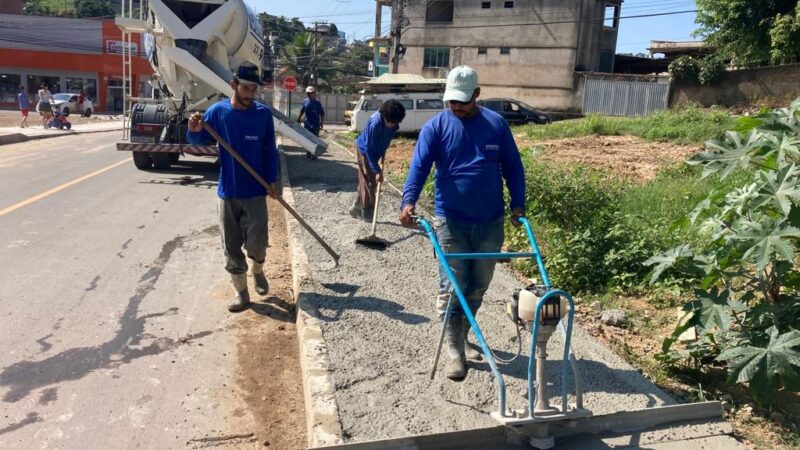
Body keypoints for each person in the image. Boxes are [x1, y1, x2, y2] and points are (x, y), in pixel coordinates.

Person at [399, 66, 526, 380]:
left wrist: (518, 203)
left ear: (477, 95)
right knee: (453, 287)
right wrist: (408, 200)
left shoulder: (496, 125)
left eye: (462, 101)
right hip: (450, 221)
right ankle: (454, 350)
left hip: (490, 221)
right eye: (452, 100)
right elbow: (419, 167)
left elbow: (513, 166)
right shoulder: (436, 127)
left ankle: (463, 336)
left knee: (478, 286)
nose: (456, 106)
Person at [186, 62, 279, 313]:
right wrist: (193, 130)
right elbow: (197, 139)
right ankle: (242, 293)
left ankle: (258, 270)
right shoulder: (218, 113)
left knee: (258, 244)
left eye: (254, 89)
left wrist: (273, 180)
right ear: (233, 85)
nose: (250, 94)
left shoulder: (262, 115)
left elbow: (270, 150)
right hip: (227, 192)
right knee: (231, 247)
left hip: (256, 192)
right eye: (246, 88)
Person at [349, 100, 406, 222]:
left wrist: (383, 150)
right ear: (384, 116)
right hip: (365, 152)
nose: (392, 125)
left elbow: (389, 134)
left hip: (377, 151)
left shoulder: (394, 122)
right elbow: (368, 148)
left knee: (366, 179)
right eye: (390, 122)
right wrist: (377, 170)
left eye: (394, 122)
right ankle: (367, 211)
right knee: (370, 181)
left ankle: (357, 206)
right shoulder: (375, 123)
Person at [296, 85, 325, 160]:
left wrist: (321, 123)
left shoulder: (317, 103)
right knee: (308, 139)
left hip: (316, 124)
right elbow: (302, 111)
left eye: (311, 93)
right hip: (307, 124)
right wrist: (299, 118)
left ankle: (314, 154)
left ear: (314, 93)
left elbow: (322, 113)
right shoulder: (305, 101)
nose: (310, 94)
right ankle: (308, 153)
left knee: (315, 139)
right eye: (308, 93)